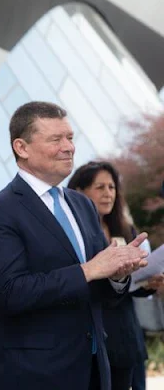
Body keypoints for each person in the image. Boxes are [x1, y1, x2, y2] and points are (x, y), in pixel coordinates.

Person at [0, 101, 149, 390]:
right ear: (22, 147)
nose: (68, 147)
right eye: (56, 139)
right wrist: (89, 270)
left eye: (70, 138)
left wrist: (118, 274)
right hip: (34, 374)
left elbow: (97, 285)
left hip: (93, 368)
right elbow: (11, 292)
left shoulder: (82, 205)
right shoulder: (0, 210)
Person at [68, 161, 164, 390]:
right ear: (80, 191)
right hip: (89, 333)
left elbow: (131, 284)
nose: (107, 194)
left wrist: (148, 284)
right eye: (99, 187)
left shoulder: (126, 229)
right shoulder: (72, 233)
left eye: (111, 187)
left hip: (124, 332)